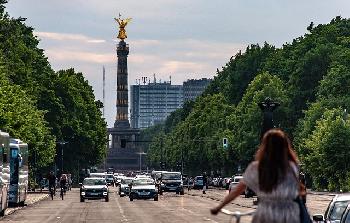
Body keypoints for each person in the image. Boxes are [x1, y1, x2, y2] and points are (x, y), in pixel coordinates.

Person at [211, 129, 301, 223]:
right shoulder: (293, 166)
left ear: (265, 147)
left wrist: (219, 207)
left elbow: (237, 191)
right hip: (290, 216)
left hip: (266, 215)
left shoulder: (256, 168)